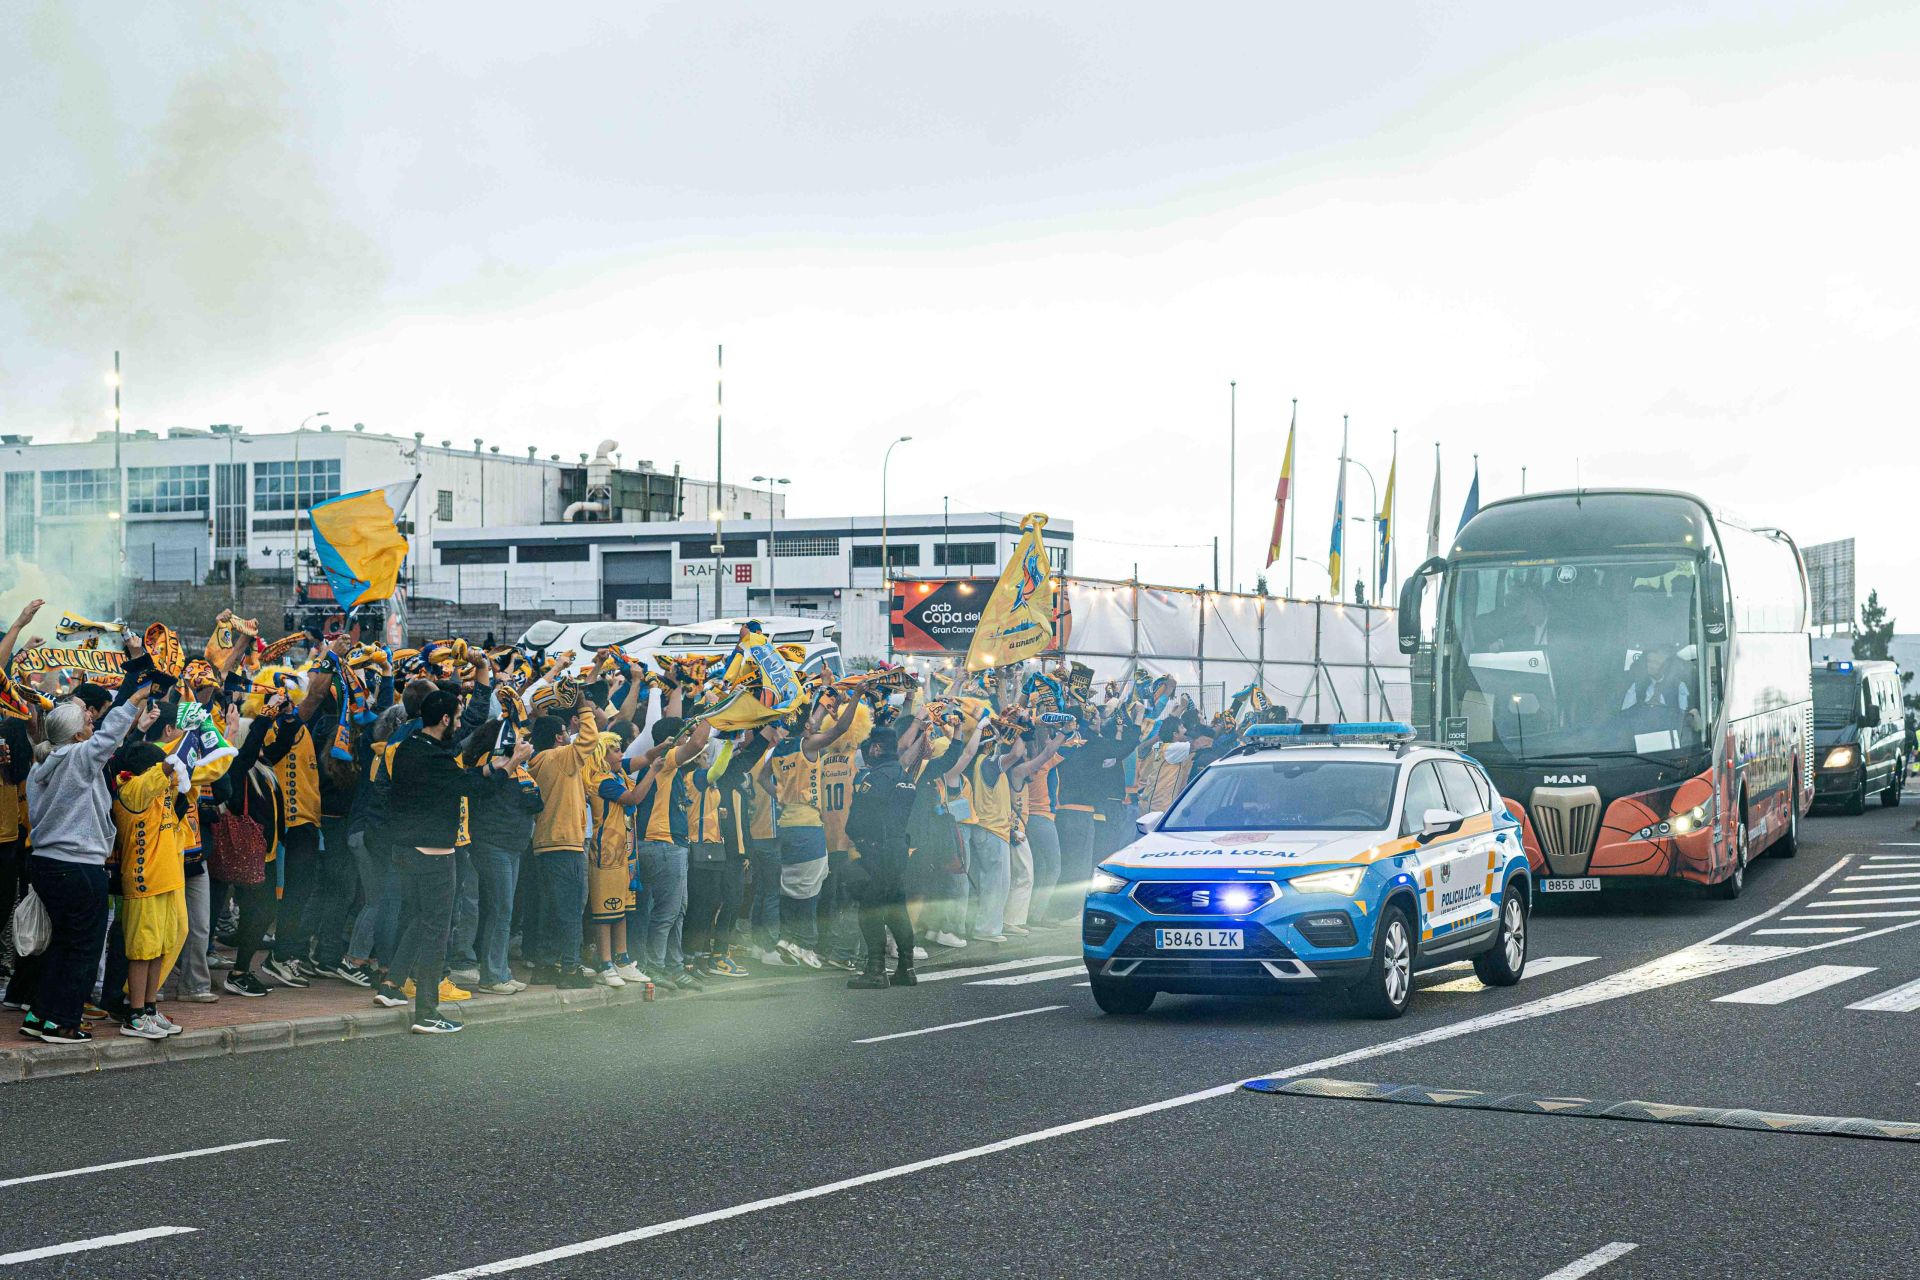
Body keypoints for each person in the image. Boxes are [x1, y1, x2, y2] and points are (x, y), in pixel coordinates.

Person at [16, 674, 153, 1044]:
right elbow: (111, 737)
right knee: (83, 948)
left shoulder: (42, 763)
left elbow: (107, 739)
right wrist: (135, 698)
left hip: (46, 863)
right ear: (77, 736)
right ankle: (63, 1023)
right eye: (89, 723)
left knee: (63, 943)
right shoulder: (77, 757)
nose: (93, 725)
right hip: (76, 866)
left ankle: (40, 1015)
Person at [383, 688, 480, 1034]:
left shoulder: (410, 747)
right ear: (444, 720)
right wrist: (507, 766)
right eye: (456, 717)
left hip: (405, 851)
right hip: (434, 855)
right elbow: (470, 785)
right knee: (436, 932)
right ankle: (426, 1012)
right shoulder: (434, 758)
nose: (458, 723)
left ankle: (392, 985)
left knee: (421, 920)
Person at [762, 693, 858, 968]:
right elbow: (840, 729)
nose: (816, 724)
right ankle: (802, 943)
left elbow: (760, 777)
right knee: (811, 889)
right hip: (809, 827)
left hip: (786, 827)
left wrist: (780, 796)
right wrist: (858, 696)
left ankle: (792, 939)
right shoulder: (809, 745)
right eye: (812, 722)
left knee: (792, 888)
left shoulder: (779, 750)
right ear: (805, 727)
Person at [843, 725, 918, 988]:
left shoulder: (875, 778)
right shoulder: (905, 777)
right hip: (898, 848)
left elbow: (858, 819)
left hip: (877, 850)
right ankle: (906, 968)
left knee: (871, 908)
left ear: (876, 748)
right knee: (897, 908)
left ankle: (875, 969)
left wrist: (857, 838)